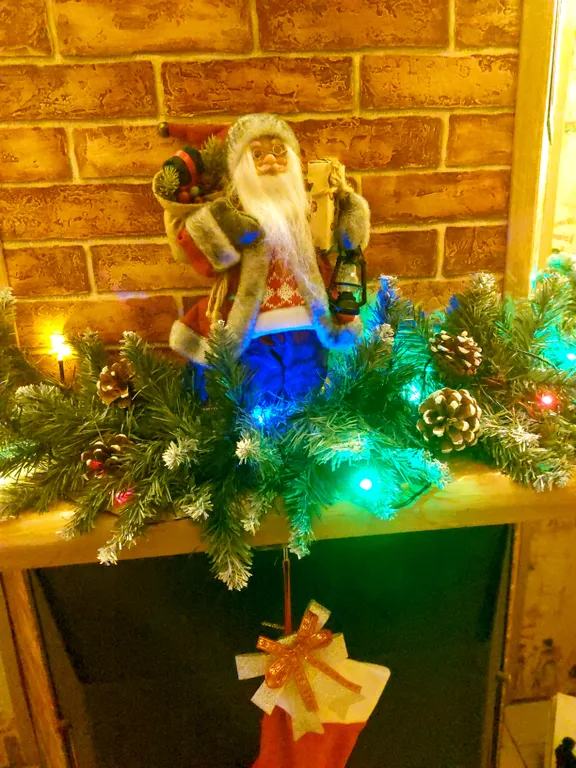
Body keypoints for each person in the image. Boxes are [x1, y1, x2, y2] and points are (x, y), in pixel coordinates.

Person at [159, 113, 370, 399]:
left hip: (309, 326)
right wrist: (226, 227)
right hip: (251, 332)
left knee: (307, 391)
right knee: (255, 392)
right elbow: (201, 255)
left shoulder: (313, 208)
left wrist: (349, 207)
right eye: (257, 154)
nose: (270, 160)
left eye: (279, 150)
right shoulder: (231, 210)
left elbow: (349, 241)